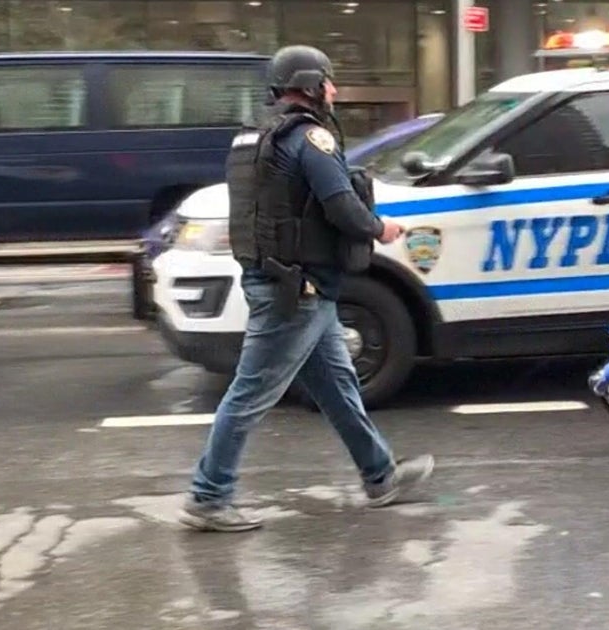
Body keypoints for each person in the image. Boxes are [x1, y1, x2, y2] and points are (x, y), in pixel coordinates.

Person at [178, 45, 435, 532]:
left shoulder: (253, 137)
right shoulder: (310, 138)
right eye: (329, 81)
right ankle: (208, 496)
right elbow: (340, 204)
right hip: (297, 292)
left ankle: (380, 476)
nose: (334, 90)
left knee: (338, 387)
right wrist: (380, 229)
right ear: (311, 85)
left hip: (284, 281)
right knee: (251, 393)